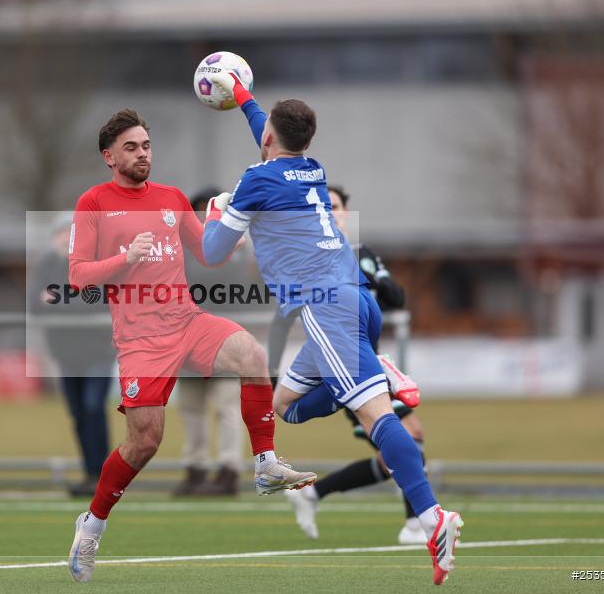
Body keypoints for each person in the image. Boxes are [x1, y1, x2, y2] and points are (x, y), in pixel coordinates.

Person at [201, 73, 463, 585]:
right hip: (351, 302)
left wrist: (216, 211)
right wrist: (244, 96)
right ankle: (375, 373)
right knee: (285, 409)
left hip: (327, 309)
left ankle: (434, 518)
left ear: (270, 140)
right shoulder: (311, 168)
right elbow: (270, 132)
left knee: (378, 418)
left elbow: (212, 253)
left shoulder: (256, 181)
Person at [66, 109, 316, 583]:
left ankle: (264, 463)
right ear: (109, 156)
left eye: (146, 145)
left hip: (187, 321)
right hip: (140, 339)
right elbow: (77, 276)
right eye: (131, 148)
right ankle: (93, 524)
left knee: (252, 355)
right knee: (145, 442)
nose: (142, 154)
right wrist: (125, 257)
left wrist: (231, 226)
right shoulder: (93, 202)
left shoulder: (172, 198)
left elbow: (208, 254)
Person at [272, 186, 428, 544]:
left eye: (337, 206)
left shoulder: (362, 255)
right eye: (325, 207)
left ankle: (313, 493)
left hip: (365, 362)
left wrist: (376, 277)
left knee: (399, 450)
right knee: (406, 440)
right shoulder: (312, 258)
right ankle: (415, 524)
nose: (331, 212)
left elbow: (396, 298)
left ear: (345, 214)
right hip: (344, 365)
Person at [30, 212, 115, 498]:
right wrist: (66, 298)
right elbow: (34, 302)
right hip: (65, 353)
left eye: (70, 233)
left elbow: (95, 302)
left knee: (93, 407)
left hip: (98, 350)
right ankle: (91, 474)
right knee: (78, 414)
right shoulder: (46, 265)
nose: (64, 239)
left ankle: (105, 475)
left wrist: (58, 299)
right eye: (60, 233)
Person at [172, 188, 245, 497]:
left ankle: (228, 471)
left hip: (225, 340)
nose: (205, 218)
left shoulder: (237, 249)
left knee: (227, 407)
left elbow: (221, 277)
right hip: (187, 341)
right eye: (200, 212)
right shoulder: (180, 248)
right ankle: (195, 469)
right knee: (191, 409)